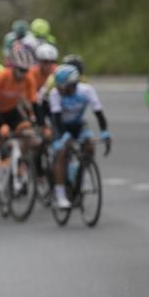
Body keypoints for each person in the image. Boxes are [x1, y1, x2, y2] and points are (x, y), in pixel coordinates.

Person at [0, 48, 37, 208]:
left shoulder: (28, 79)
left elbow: (33, 103)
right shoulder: (2, 77)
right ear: (13, 67)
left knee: (29, 135)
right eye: (20, 70)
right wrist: (0, 127)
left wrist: (38, 122)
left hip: (12, 112)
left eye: (26, 70)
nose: (23, 73)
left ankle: (21, 163)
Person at [48, 65, 111, 209]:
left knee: (89, 146)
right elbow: (56, 119)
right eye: (59, 87)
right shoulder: (54, 94)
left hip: (78, 125)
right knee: (62, 153)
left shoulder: (86, 91)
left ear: (74, 85)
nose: (60, 90)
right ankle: (60, 195)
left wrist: (105, 133)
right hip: (60, 126)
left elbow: (99, 113)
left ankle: (81, 176)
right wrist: (64, 137)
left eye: (64, 87)